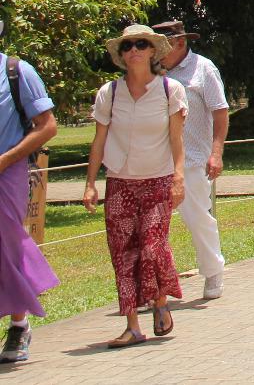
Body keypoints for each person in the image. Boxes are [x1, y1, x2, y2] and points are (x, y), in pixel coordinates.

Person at [83, 25, 188, 347]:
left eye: (141, 44)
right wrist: (90, 183)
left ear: (153, 51)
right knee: (123, 254)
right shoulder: (109, 93)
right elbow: (99, 140)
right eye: (128, 45)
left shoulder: (170, 90)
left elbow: (176, 140)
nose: (134, 50)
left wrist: (178, 177)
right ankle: (132, 325)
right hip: (120, 182)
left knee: (152, 247)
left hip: (157, 179)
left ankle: (159, 299)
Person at [151, 20, 228, 300]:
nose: (156, 52)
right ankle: (153, 287)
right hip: (155, 161)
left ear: (180, 43)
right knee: (152, 226)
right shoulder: (150, 72)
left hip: (194, 159)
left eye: (162, 46)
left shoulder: (203, 69)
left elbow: (220, 112)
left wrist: (216, 152)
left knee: (198, 219)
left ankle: (212, 271)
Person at [0, 28, 59, 364]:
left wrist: (7, 159)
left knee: (7, 244)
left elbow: (48, 125)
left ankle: (19, 324)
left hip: (7, 171)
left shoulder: (16, 70)